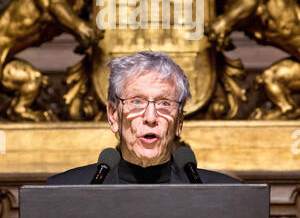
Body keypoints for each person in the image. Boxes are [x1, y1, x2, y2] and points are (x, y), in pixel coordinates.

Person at [47, 51, 240, 184]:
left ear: (179, 121)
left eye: (164, 103)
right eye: (137, 102)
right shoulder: (63, 191)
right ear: (113, 115)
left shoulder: (223, 195)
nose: (150, 117)